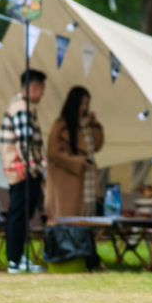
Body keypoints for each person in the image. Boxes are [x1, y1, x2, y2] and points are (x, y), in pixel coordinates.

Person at [0, 69, 47, 274]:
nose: (43, 94)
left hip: (24, 170)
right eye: (42, 88)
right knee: (18, 214)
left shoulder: (26, 107)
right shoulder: (21, 108)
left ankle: (18, 257)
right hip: (22, 171)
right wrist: (36, 167)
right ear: (33, 87)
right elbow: (24, 144)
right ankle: (14, 260)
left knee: (23, 213)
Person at [45, 86, 105, 223]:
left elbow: (96, 146)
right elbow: (54, 151)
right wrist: (77, 161)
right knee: (69, 220)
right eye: (81, 103)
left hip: (87, 178)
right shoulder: (61, 124)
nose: (84, 107)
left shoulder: (87, 124)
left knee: (86, 218)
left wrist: (96, 125)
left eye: (86, 103)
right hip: (68, 180)